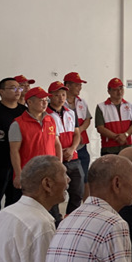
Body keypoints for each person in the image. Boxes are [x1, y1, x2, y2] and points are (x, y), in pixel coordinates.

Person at [9, 86, 62, 225]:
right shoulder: (18, 124)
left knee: (53, 213)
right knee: (29, 215)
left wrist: (60, 166)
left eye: (46, 100)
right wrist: (19, 174)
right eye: (41, 100)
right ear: (30, 102)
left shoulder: (50, 120)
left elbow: (57, 144)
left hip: (50, 174)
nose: (45, 103)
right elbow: (14, 151)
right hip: (30, 176)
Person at [0, 77, 26, 229]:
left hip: (18, 165)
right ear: (1, 92)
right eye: (13, 88)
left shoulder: (24, 112)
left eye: (19, 88)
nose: (17, 91)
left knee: (15, 202)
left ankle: (9, 231)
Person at [46, 81, 84, 214]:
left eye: (63, 94)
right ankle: (56, 220)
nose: (61, 98)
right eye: (57, 95)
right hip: (55, 160)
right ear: (50, 96)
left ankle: (71, 218)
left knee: (78, 192)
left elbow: (77, 134)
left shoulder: (71, 113)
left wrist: (72, 149)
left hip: (73, 158)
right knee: (55, 194)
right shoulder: (45, 114)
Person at [95, 77, 132, 155]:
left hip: (127, 147)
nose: (119, 92)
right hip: (108, 148)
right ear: (109, 91)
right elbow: (100, 128)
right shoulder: (101, 107)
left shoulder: (131, 106)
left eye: (121, 89)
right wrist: (117, 137)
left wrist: (125, 135)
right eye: (115, 90)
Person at [63, 72, 92, 181]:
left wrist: (79, 131)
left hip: (81, 146)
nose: (80, 87)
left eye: (80, 85)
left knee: (84, 178)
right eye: (77, 85)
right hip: (66, 147)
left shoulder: (82, 102)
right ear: (68, 86)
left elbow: (87, 119)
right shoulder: (59, 102)